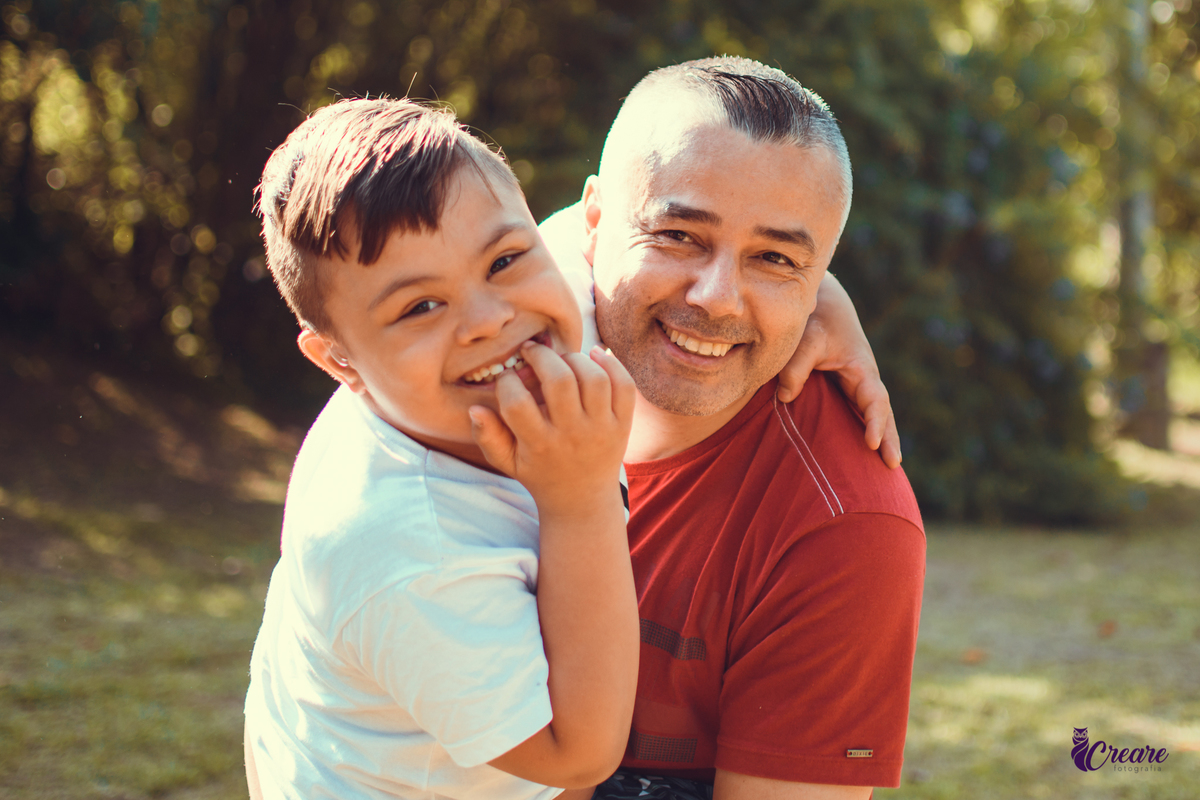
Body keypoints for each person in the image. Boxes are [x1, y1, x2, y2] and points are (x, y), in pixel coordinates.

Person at [538, 57, 926, 799]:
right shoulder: (481, 378)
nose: (717, 299)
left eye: (775, 258)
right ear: (593, 225)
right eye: (681, 235)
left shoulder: (841, 524)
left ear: (819, 285)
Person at [242, 98, 642, 799]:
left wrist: (821, 303)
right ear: (342, 364)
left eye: (507, 259)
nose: (491, 320)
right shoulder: (401, 545)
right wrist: (580, 500)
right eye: (420, 308)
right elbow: (577, 756)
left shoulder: (537, 291)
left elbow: (648, 232)